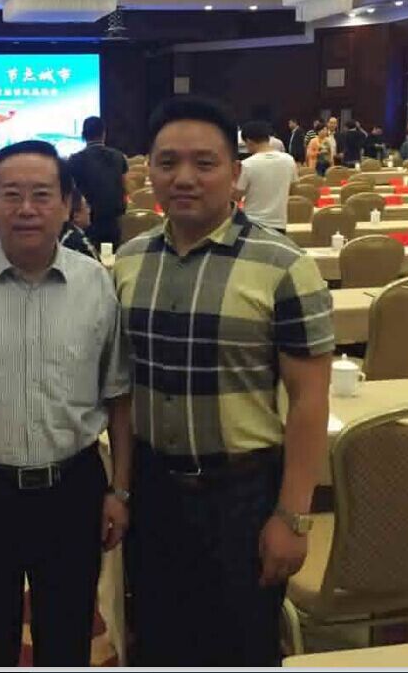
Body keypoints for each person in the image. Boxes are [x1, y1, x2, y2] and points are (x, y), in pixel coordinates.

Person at [114, 95, 333, 667]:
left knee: (242, 645)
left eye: (204, 163)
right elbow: (123, 387)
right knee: (157, 640)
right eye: (168, 162)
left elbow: (310, 400)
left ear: (235, 173)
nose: (184, 178)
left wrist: (292, 516)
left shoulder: (284, 265)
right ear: (149, 170)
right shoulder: (131, 262)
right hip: (155, 491)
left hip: (242, 494)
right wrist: (122, 490)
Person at [0, 139, 132, 667]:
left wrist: (120, 490)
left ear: (67, 204)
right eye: (11, 195)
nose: (27, 209)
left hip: (73, 488)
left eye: (42, 194)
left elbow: (120, 398)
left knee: (67, 639)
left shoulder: (97, 286)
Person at [67, 116, 128, 251]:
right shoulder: (119, 157)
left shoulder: (74, 160)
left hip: (87, 224)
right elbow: (124, 188)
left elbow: (72, 194)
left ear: (83, 135)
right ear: (104, 133)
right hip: (115, 222)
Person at [235, 120, 297, 233]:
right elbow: (293, 189)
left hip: (252, 224)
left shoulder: (247, 164)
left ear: (248, 141)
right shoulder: (289, 160)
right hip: (280, 223)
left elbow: (236, 196)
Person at [60, 189, 100, 260]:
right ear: (76, 216)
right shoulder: (79, 243)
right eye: (86, 206)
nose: (89, 210)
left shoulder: (61, 235)